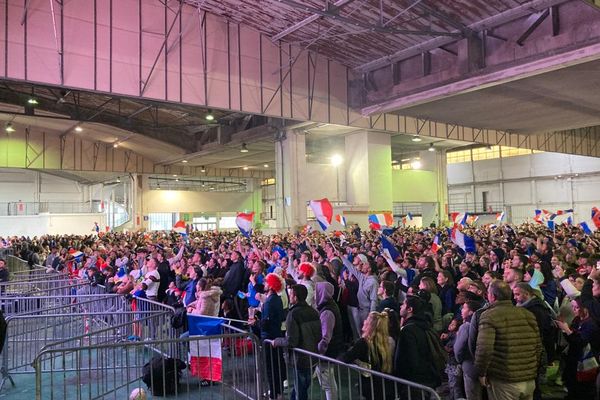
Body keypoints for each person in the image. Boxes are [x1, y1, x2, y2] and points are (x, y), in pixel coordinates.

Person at [474, 280, 542, 400]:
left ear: (492, 296)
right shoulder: (527, 314)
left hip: (504, 380)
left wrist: (481, 372)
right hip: (528, 379)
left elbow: (484, 348)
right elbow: (538, 346)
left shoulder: (489, 315)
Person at [273, 285, 321, 400]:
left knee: (300, 389)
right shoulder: (313, 312)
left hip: (299, 358)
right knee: (301, 387)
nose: (290, 296)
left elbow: (291, 341)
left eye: (291, 294)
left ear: (295, 296)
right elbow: (319, 334)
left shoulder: (293, 314)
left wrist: (277, 341)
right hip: (313, 355)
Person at [339, 311, 394, 400]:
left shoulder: (363, 343)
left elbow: (346, 358)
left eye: (366, 320)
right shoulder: (388, 342)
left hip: (371, 388)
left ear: (370, 325)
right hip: (386, 387)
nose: (364, 322)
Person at [555, 297, 600, 400]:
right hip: (573, 359)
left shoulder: (591, 324)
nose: (574, 310)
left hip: (585, 361)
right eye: (573, 307)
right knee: (572, 386)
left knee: (582, 389)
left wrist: (567, 330)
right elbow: (572, 340)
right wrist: (564, 329)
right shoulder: (577, 319)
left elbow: (580, 342)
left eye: (576, 307)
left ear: (585, 309)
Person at [395, 294, 442, 392]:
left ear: (410, 309)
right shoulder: (426, 325)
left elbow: (409, 359)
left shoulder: (408, 331)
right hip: (428, 377)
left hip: (413, 382)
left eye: (403, 305)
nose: (400, 306)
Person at [257, 273, 286, 400]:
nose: (264, 284)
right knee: (276, 366)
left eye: (266, 282)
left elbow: (266, 322)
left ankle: (274, 394)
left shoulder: (269, 302)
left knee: (271, 368)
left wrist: (256, 323)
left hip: (269, 337)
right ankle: (277, 392)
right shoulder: (277, 299)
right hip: (276, 335)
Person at [315, 281, 343, 400]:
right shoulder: (330, 306)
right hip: (330, 349)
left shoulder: (327, 311)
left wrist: (319, 352)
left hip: (327, 352)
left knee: (328, 384)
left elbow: (326, 336)